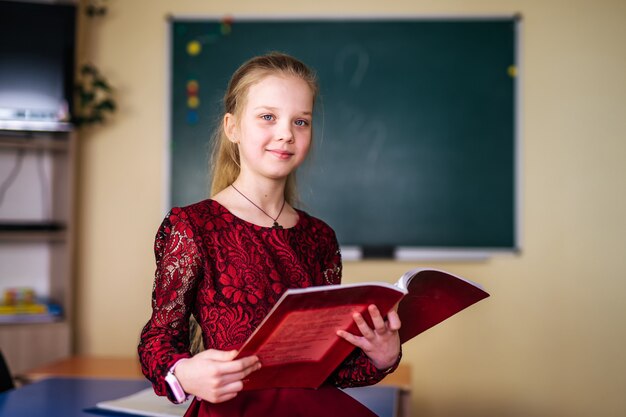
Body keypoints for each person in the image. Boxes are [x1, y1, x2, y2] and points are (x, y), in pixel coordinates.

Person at [138, 52, 402, 417]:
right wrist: (184, 372)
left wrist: (381, 357)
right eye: (267, 117)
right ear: (232, 128)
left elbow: (324, 367)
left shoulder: (320, 237)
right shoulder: (192, 226)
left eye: (301, 121)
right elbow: (158, 340)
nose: (286, 134)